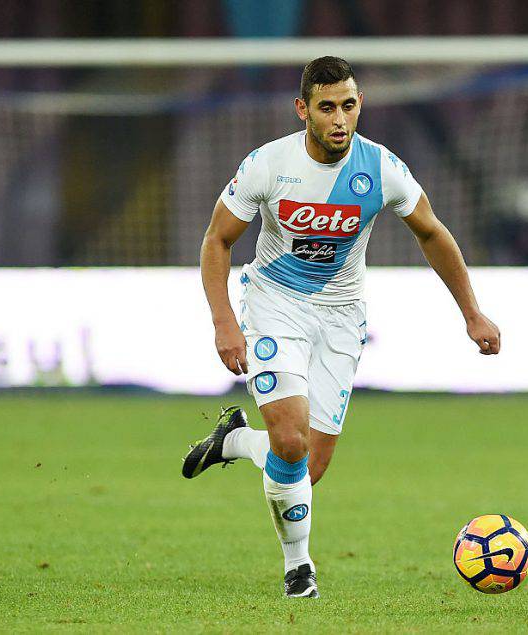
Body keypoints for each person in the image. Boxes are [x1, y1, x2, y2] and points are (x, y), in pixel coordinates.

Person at [183, 56, 501, 598]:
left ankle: (234, 441)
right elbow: (218, 240)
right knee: (289, 438)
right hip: (274, 305)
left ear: (359, 107)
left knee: (309, 465)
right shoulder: (267, 165)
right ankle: (298, 568)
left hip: (341, 317)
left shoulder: (381, 169)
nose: (339, 119)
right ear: (302, 109)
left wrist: (472, 312)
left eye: (348, 106)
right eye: (326, 107)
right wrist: (224, 322)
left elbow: (431, 233)